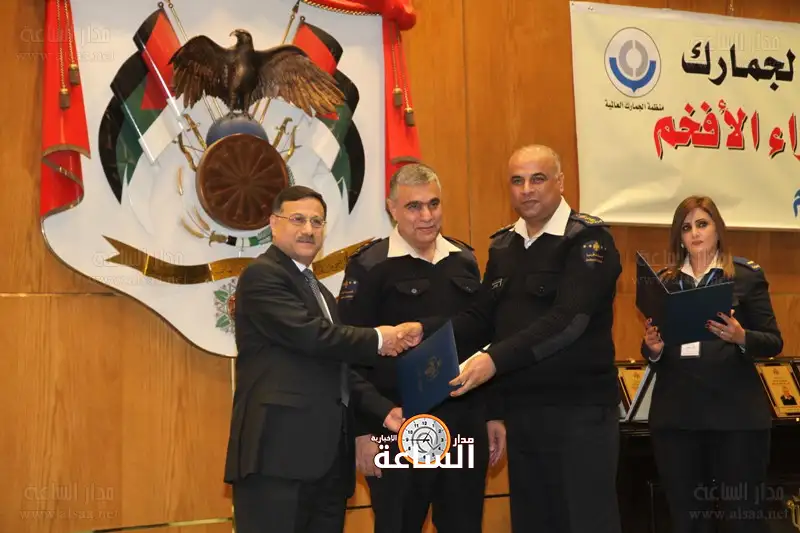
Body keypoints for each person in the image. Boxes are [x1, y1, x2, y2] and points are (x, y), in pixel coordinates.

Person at [420, 144, 624, 533]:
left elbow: (568, 321)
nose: (526, 189)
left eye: (537, 179)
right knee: (533, 521)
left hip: (579, 413)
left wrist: (493, 361)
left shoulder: (588, 241)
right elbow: (484, 320)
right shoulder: (504, 246)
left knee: (585, 521)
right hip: (523, 413)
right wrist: (421, 332)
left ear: (560, 182)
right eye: (517, 180)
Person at [223, 185, 423, 533]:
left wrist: (383, 410)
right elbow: (312, 336)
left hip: (328, 464)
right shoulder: (262, 275)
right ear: (273, 223)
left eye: (317, 221)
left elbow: (336, 365)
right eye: (297, 219)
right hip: (278, 459)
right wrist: (380, 338)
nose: (309, 229)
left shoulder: (320, 293)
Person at [337, 163, 506, 533]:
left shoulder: (463, 258)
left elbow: (482, 337)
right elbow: (350, 355)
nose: (427, 216)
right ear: (392, 209)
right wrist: (364, 432)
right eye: (414, 206)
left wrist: (492, 415)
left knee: (464, 525)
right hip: (398, 424)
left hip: (464, 420)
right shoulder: (369, 265)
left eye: (434, 204)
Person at [641, 195, 783, 533]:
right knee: (688, 520)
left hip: (735, 419)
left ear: (718, 229)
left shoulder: (744, 276)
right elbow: (654, 352)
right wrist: (652, 348)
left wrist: (741, 336)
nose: (695, 233)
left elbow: (773, 342)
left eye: (702, 224)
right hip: (678, 420)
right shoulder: (664, 282)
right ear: (679, 237)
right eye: (686, 227)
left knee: (742, 519)